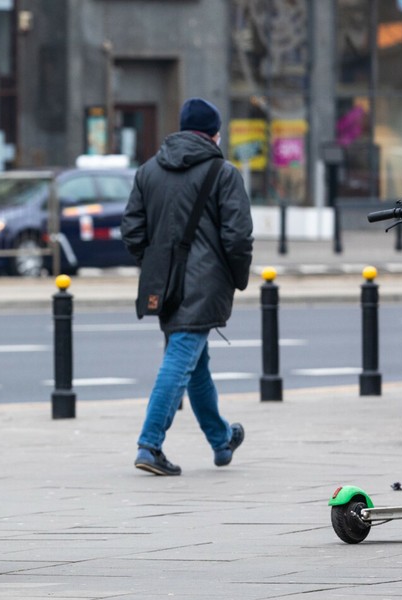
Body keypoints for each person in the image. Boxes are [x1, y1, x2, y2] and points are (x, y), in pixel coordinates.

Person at [120, 97, 254, 476]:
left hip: (163, 283)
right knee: (180, 360)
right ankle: (150, 444)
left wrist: (153, 264)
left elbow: (132, 230)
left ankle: (221, 438)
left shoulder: (148, 171)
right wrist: (236, 276)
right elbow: (238, 237)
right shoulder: (222, 172)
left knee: (196, 363)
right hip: (205, 282)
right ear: (214, 133)